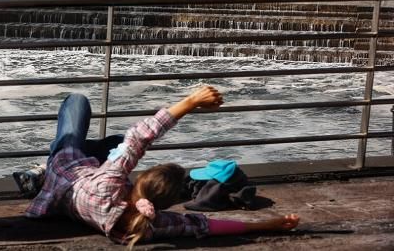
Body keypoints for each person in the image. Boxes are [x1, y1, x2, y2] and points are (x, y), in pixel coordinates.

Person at [24, 87, 300, 247]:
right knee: (117, 143)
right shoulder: (147, 226)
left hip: (66, 165)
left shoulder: (109, 182)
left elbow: (139, 137)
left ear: (140, 181)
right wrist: (268, 224)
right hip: (71, 195)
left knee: (77, 102)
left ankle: (43, 170)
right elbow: (206, 226)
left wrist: (191, 102)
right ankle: (49, 171)